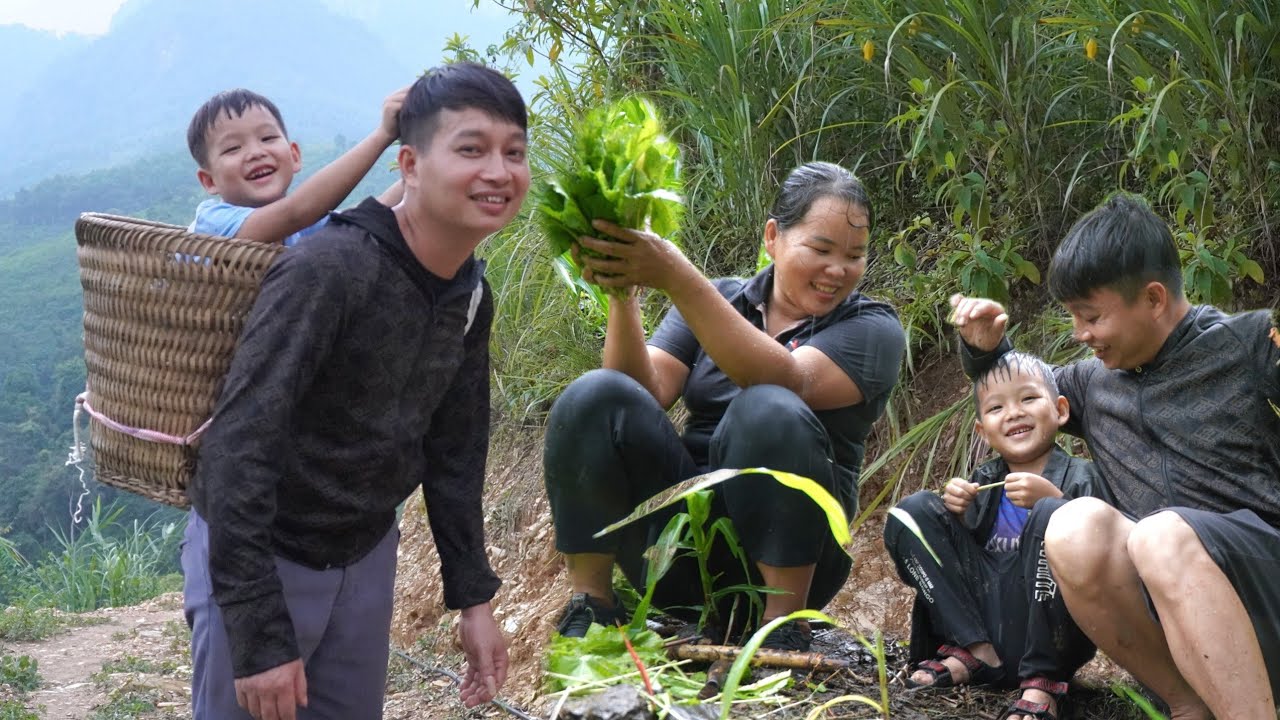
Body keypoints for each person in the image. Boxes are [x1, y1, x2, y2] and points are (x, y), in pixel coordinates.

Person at [181, 62, 529, 720]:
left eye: (514, 152)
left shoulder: (470, 294)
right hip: (263, 548)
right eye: (471, 149)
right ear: (409, 164)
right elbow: (238, 444)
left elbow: (456, 455)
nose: (498, 172)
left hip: (365, 554)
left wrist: (473, 601)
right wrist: (257, 634)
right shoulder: (328, 270)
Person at [542, 161, 905, 652]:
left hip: (799, 552)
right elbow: (632, 395)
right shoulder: (718, 299)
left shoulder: (874, 328)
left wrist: (676, 275)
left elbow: (788, 379)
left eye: (855, 255)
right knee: (592, 393)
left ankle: (782, 628)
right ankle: (593, 606)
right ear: (773, 237)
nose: (838, 269)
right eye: (820, 249)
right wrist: (622, 294)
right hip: (679, 550)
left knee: (768, 407)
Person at [950, 193, 1280, 720]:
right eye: (1074, 318)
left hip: (1265, 582)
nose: (1081, 335)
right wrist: (987, 351)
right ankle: (1188, 705)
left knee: (1161, 532)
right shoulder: (1090, 384)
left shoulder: (1250, 345)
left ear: (1152, 299)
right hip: (1176, 612)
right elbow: (1023, 400)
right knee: (1072, 525)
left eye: (1092, 316)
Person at [884, 351, 1100, 720]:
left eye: (1029, 398)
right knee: (913, 512)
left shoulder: (1084, 477)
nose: (1014, 412)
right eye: (997, 407)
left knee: (1055, 514)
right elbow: (956, 563)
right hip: (982, 623)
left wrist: (1055, 502)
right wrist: (953, 511)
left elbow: (1103, 553)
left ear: (1061, 411)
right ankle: (974, 651)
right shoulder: (982, 482)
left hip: (1046, 626)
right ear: (983, 432)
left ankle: (1042, 682)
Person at [185, 85, 407, 246]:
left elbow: (370, 216)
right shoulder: (212, 222)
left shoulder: (305, 228)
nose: (255, 153)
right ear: (209, 180)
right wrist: (383, 135)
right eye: (233, 148)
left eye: (268, 138)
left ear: (294, 156)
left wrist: (416, 169)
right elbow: (297, 212)